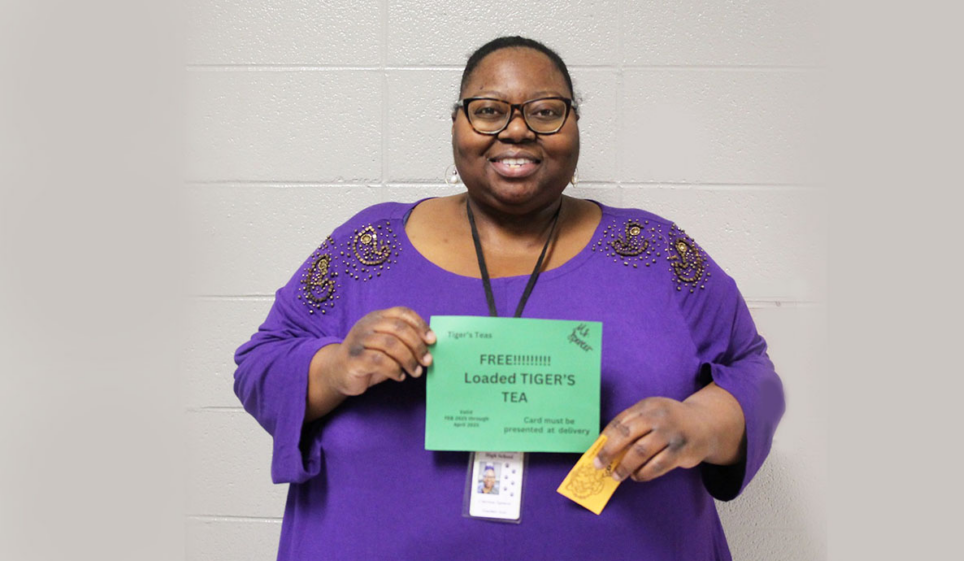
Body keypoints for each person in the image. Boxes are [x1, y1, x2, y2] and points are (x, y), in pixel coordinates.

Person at [234, 36, 785, 560]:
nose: (517, 130)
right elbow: (260, 364)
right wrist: (335, 368)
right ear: (457, 124)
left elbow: (753, 373)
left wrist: (701, 425)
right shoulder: (367, 248)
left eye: (545, 111)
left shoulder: (655, 254)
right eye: (489, 110)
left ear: (575, 125)